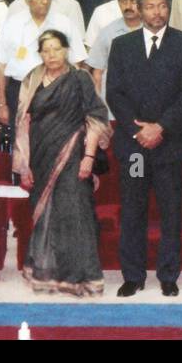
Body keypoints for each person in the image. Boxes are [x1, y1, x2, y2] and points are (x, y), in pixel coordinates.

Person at [105, 0, 182, 297]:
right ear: (139, 10)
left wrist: (159, 127)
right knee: (133, 209)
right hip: (134, 147)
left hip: (169, 144)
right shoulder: (122, 45)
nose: (157, 12)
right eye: (150, 7)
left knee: (171, 212)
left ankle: (169, 274)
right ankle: (132, 276)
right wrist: (139, 131)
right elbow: (114, 93)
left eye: (162, 6)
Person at [11, 29, 110, 296]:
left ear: (67, 50)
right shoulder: (32, 79)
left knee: (75, 214)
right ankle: (47, 277)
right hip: (40, 156)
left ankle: (82, 280)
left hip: (73, 155)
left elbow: (96, 118)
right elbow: (21, 123)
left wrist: (88, 157)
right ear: (40, 53)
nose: (51, 55)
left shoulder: (80, 78)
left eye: (56, 48)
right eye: (46, 50)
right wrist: (24, 164)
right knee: (46, 217)